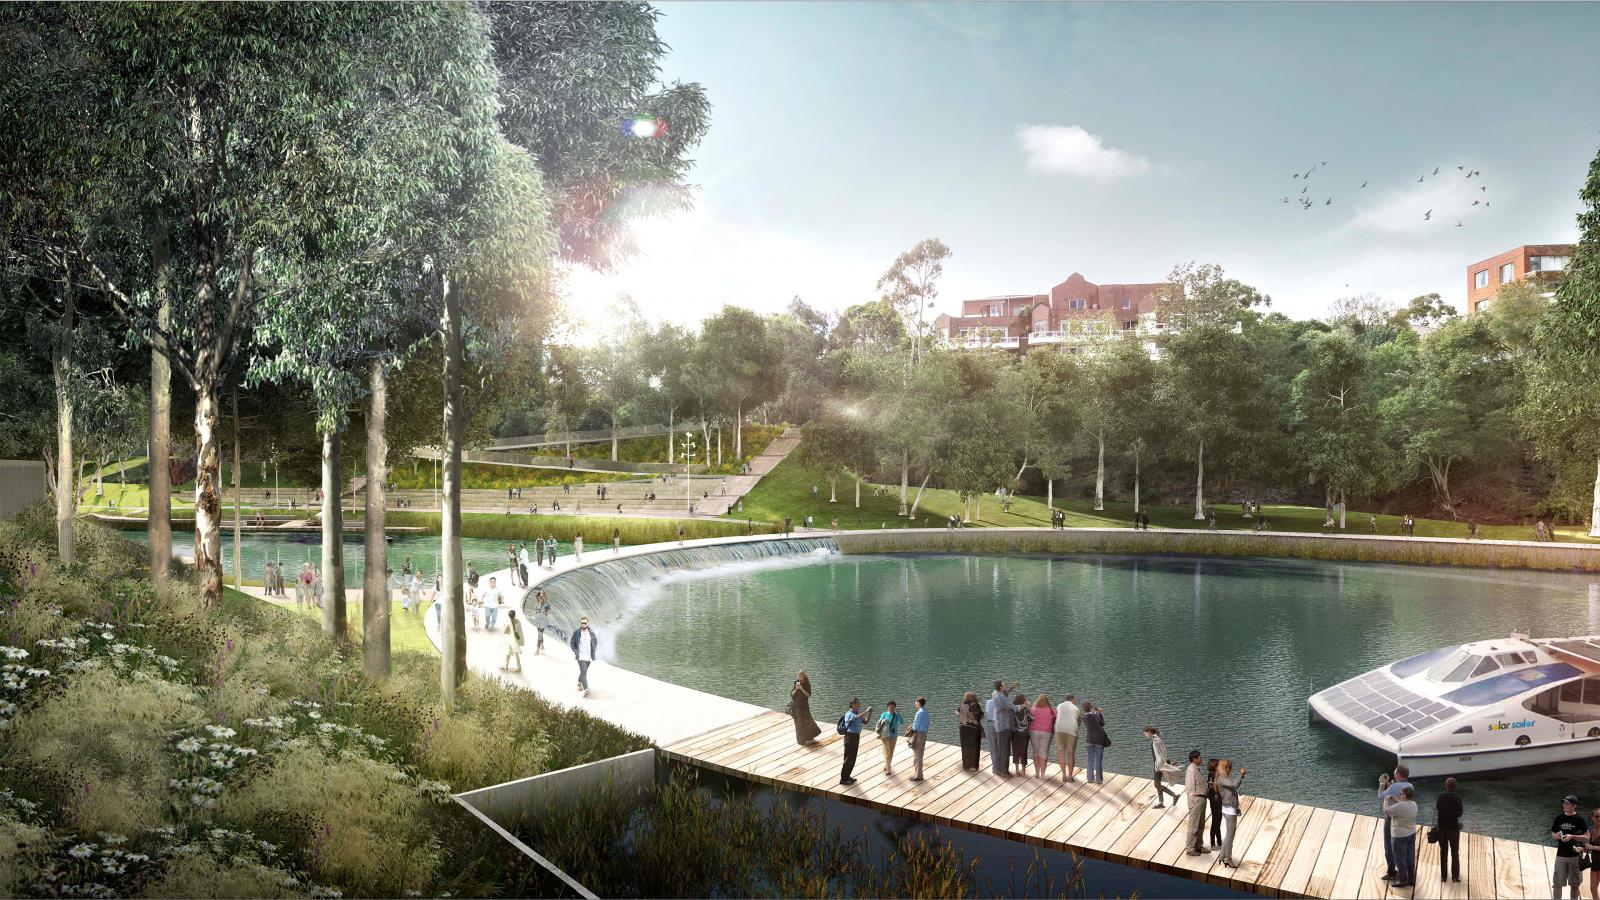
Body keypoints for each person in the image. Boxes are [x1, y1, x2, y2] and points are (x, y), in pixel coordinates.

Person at [1380, 766, 1414, 881]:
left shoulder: (1395, 786)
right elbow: (1394, 791)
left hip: (1392, 818)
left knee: (1389, 844)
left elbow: (1382, 796)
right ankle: (1406, 872)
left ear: (1398, 775)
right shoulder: (1410, 786)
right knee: (1405, 846)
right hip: (1406, 818)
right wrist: (1388, 783)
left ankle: (1391, 871)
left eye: (1395, 774)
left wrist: (1381, 784)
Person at [1553, 794, 1588, 900]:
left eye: (1567, 804)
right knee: (1557, 883)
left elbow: (1587, 837)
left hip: (1575, 856)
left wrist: (1572, 836)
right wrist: (1557, 836)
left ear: (1574, 806)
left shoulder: (1580, 819)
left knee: (1574, 884)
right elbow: (1553, 834)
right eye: (1564, 803)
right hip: (1561, 855)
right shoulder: (1559, 817)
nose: (1564, 805)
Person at [1385, 784, 1419, 889]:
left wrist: (1386, 801)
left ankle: (1403, 880)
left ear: (1404, 795)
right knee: (1410, 857)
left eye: (1401, 793)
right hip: (1411, 834)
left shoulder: (1400, 806)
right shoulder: (1413, 804)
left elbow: (1387, 811)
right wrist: (1395, 800)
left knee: (1400, 858)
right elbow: (1404, 806)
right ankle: (1411, 879)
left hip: (1399, 836)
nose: (1400, 795)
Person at [985, 680, 1019, 776]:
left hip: (991, 724)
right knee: (1002, 749)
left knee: (994, 748)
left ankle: (996, 769)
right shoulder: (1001, 699)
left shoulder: (990, 701)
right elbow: (1006, 700)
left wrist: (1013, 687)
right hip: (999, 725)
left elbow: (1005, 693)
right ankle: (1001, 769)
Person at [1217, 759, 1245, 868]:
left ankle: (1222, 857)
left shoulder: (1223, 778)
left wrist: (1236, 807)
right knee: (1230, 836)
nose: (1231, 769)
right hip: (1229, 810)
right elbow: (1234, 785)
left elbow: (1232, 792)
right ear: (1225, 767)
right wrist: (1241, 775)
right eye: (1230, 767)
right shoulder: (1223, 779)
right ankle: (1228, 859)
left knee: (1228, 835)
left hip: (1229, 808)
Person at [1144, 727, 1180, 808]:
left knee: (1157, 785)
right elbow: (1163, 751)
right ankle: (1161, 803)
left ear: (1149, 732)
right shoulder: (1157, 738)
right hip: (1159, 763)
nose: (1145, 735)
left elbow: (1159, 754)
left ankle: (1174, 795)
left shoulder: (1155, 740)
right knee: (1158, 784)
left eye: (1145, 733)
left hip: (1158, 765)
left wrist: (1158, 765)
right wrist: (1168, 761)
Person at [1436, 776, 1462, 884]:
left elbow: (1438, 808)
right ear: (1455, 787)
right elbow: (1460, 813)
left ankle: (1444, 877)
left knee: (1443, 853)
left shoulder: (1441, 796)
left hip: (1442, 828)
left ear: (1446, 786)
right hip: (1453, 828)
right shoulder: (1457, 798)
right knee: (1455, 852)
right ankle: (1455, 876)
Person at [839, 698, 872, 785]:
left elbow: (866, 722)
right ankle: (843, 779)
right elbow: (856, 718)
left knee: (853, 758)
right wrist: (866, 711)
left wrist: (870, 713)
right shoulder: (849, 714)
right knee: (848, 758)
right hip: (850, 737)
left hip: (856, 737)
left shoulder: (858, 713)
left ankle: (848, 776)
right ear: (853, 704)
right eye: (858, 703)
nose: (859, 705)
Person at [1184, 750, 1209, 856]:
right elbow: (1189, 787)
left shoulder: (1197, 769)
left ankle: (1198, 846)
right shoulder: (1191, 770)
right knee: (1194, 825)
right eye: (1199, 756)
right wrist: (1195, 800)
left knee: (1200, 824)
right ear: (1194, 758)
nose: (1201, 758)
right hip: (1197, 800)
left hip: (1202, 799)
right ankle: (1190, 848)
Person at [789, 671, 821, 745]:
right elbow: (791, 694)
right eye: (798, 676)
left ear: (804, 676)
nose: (799, 678)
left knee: (808, 722)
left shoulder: (807, 684)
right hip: (797, 707)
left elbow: (808, 695)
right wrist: (796, 688)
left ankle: (810, 737)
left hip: (804, 707)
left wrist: (802, 689)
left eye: (800, 676)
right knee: (799, 724)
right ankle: (801, 740)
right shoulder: (796, 683)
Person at [1055, 694, 1081, 783]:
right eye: (1075, 699)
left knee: (1061, 752)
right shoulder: (1076, 708)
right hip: (1071, 730)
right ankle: (1070, 776)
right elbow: (1078, 721)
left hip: (1058, 729)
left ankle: (1063, 775)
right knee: (1070, 753)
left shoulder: (1059, 706)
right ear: (1073, 699)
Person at [956, 691, 984, 771]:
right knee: (974, 747)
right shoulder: (974, 705)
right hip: (973, 729)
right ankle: (974, 766)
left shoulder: (963, 705)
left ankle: (966, 766)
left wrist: (963, 716)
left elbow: (956, 711)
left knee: (965, 747)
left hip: (963, 728)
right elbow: (979, 716)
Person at [1081, 701, 1108, 784]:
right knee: (1098, 760)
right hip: (1099, 740)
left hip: (1089, 739)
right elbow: (1102, 723)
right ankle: (1099, 780)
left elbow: (1091, 719)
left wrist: (1096, 712)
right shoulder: (1096, 715)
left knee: (1090, 759)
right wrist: (1099, 713)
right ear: (1091, 707)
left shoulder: (1084, 717)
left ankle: (1090, 779)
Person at [1028, 695, 1054, 777]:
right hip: (1046, 732)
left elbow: (1029, 717)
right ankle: (1042, 774)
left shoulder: (1033, 708)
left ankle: (1036, 773)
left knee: (1036, 751)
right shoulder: (1050, 710)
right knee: (1043, 752)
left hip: (1033, 731)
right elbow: (1054, 718)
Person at [570, 617, 597, 693]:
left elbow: (595, 642)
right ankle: (586, 689)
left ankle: (579, 682)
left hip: (589, 656)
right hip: (580, 656)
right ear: (580, 623)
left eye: (585, 623)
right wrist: (576, 652)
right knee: (584, 672)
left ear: (587, 623)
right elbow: (572, 643)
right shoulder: (577, 633)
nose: (583, 624)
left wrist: (593, 650)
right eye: (582, 623)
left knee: (583, 671)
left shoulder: (591, 633)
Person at [876, 700, 903, 775]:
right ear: (887, 707)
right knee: (887, 753)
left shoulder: (896, 715)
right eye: (890, 707)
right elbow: (879, 723)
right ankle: (889, 770)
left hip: (894, 736)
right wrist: (883, 721)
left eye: (893, 707)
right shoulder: (884, 714)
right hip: (885, 736)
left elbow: (902, 722)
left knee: (891, 753)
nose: (891, 708)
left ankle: (886, 766)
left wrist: (899, 714)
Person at [908, 697, 930, 781]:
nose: (915, 703)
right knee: (920, 754)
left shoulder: (919, 713)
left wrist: (911, 728)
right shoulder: (926, 712)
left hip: (918, 734)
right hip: (924, 734)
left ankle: (918, 776)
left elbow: (916, 726)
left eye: (916, 702)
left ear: (919, 703)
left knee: (917, 755)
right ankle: (918, 774)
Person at [1010, 692, 1031, 773]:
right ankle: (1023, 770)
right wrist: (1027, 706)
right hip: (1024, 733)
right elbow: (1031, 719)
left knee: (1015, 750)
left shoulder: (1013, 710)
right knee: (1023, 751)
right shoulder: (1026, 709)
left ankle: (1017, 770)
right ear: (1023, 701)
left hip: (1015, 733)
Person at [1583, 805, 1600, 900]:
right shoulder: (1591, 832)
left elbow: (1591, 846)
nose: (1599, 818)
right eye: (1597, 816)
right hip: (1595, 863)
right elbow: (1587, 846)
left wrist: (1592, 847)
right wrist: (1581, 849)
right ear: (1592, 818)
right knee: (1593, 889)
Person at [1207, 758, 1224, 850]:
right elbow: (1214, 789)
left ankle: (1219, 842)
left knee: (1217, 822)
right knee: (1216, 822)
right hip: (1216, 802)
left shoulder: (1211, 775)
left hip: (1214, 801)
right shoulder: (1214, 776)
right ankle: (1213, 844)